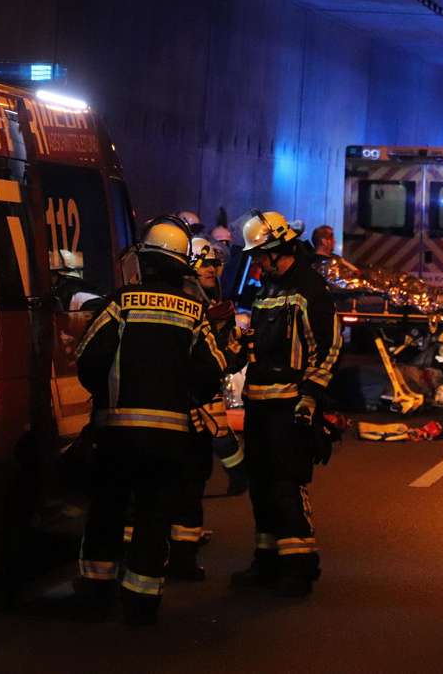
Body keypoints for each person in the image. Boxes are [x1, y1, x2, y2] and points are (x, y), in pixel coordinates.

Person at [73, 216, 226, 625]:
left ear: (145, 261)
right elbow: (213, 373)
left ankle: (94, 593)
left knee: (107, 509)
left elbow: (87, 359)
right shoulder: (195, 312)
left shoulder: (120, 303)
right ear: (181, 267)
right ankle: (141, 603)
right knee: (154, 516)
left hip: (116, 433)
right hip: (169, 439)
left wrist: (108, 397)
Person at [232, 210, 341, 598]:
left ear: (281, 249)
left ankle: (299, 567)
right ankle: (267, 562)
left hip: (291, 407)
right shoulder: (267, 290)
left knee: (285, 485)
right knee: (260, 484)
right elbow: (260, 344)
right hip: (259, 405)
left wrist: (310, 397)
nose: (258, 264)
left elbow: (328, 349)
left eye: (262, 256)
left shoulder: (309, 290)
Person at [164, 237, 249, 582]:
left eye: (215, 264)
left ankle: (182, 551)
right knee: (174, 478)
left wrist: (238, 345)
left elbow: (225, 357)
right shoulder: (181, 299)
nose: (212, 269)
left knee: (192, 478)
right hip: (177, 404)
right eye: (205, 263)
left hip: (203, 396)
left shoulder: (212, 299)